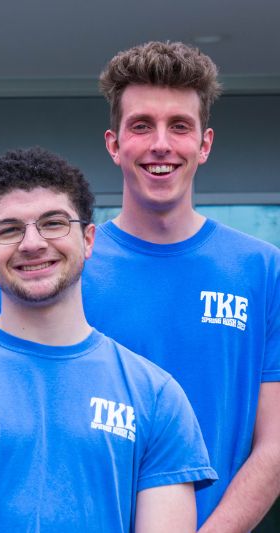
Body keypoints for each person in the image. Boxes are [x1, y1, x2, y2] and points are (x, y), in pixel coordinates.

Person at [0, 147, 216, 532]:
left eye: (53, 223)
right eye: (9, 229)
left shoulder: (156, 396)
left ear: (89, 239)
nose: (32, 243)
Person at [82, 41, 280, 531]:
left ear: (205, 144)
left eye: (180, 126)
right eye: (142, 126)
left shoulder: (261, 270)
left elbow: (276, 442)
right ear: (113, 144)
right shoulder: (72, 267)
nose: (161, 144)